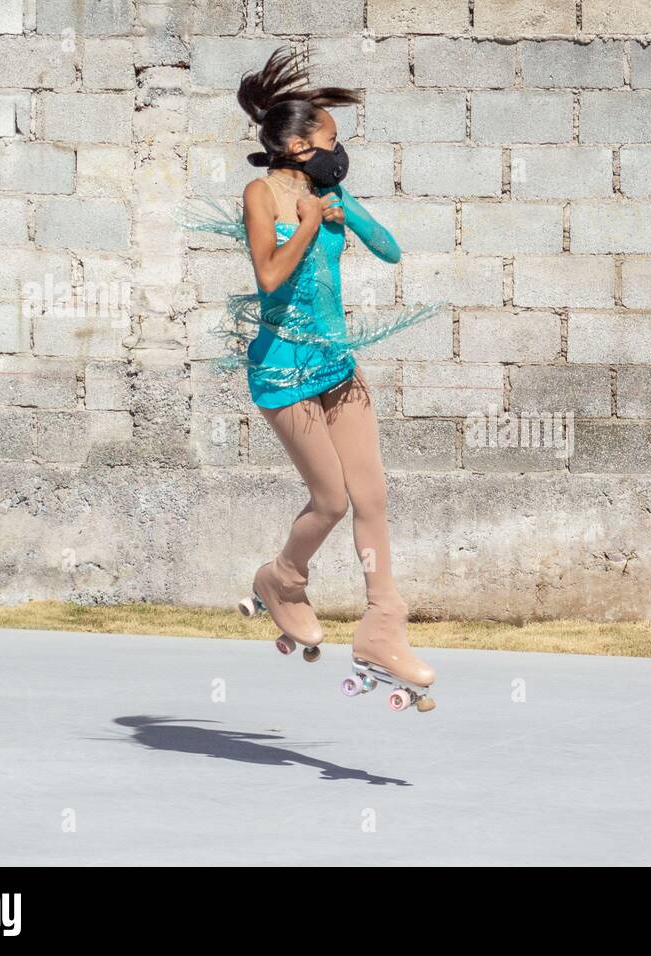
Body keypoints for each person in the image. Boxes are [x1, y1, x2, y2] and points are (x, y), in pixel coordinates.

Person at [180, 48, 441, 711]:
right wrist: (309, 226)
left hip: (336, 365)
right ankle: (282, 580)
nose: (338, 151)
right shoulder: (261, 193)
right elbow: (269, 278)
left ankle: (384, 625)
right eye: (329, 142)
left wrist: (342, 209)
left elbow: (389, 248)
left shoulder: (331, 192)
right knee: (329, 501)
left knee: (372, 496)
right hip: (283, 371)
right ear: (297, 144)